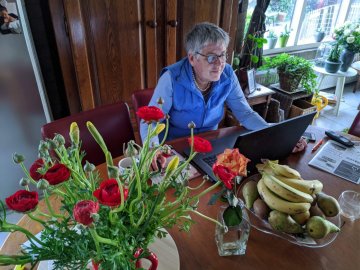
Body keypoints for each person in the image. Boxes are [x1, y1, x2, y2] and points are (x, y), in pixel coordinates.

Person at [140, 22, 268, 147]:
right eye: (211, 57)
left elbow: (245, 114)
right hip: (176, 146)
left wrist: (269, 132)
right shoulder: (171, 78)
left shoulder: (227, 75)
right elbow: (150, 121)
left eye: (222, 55)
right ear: (192, 58)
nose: (219, 64)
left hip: (210, 143)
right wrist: (153, 149)